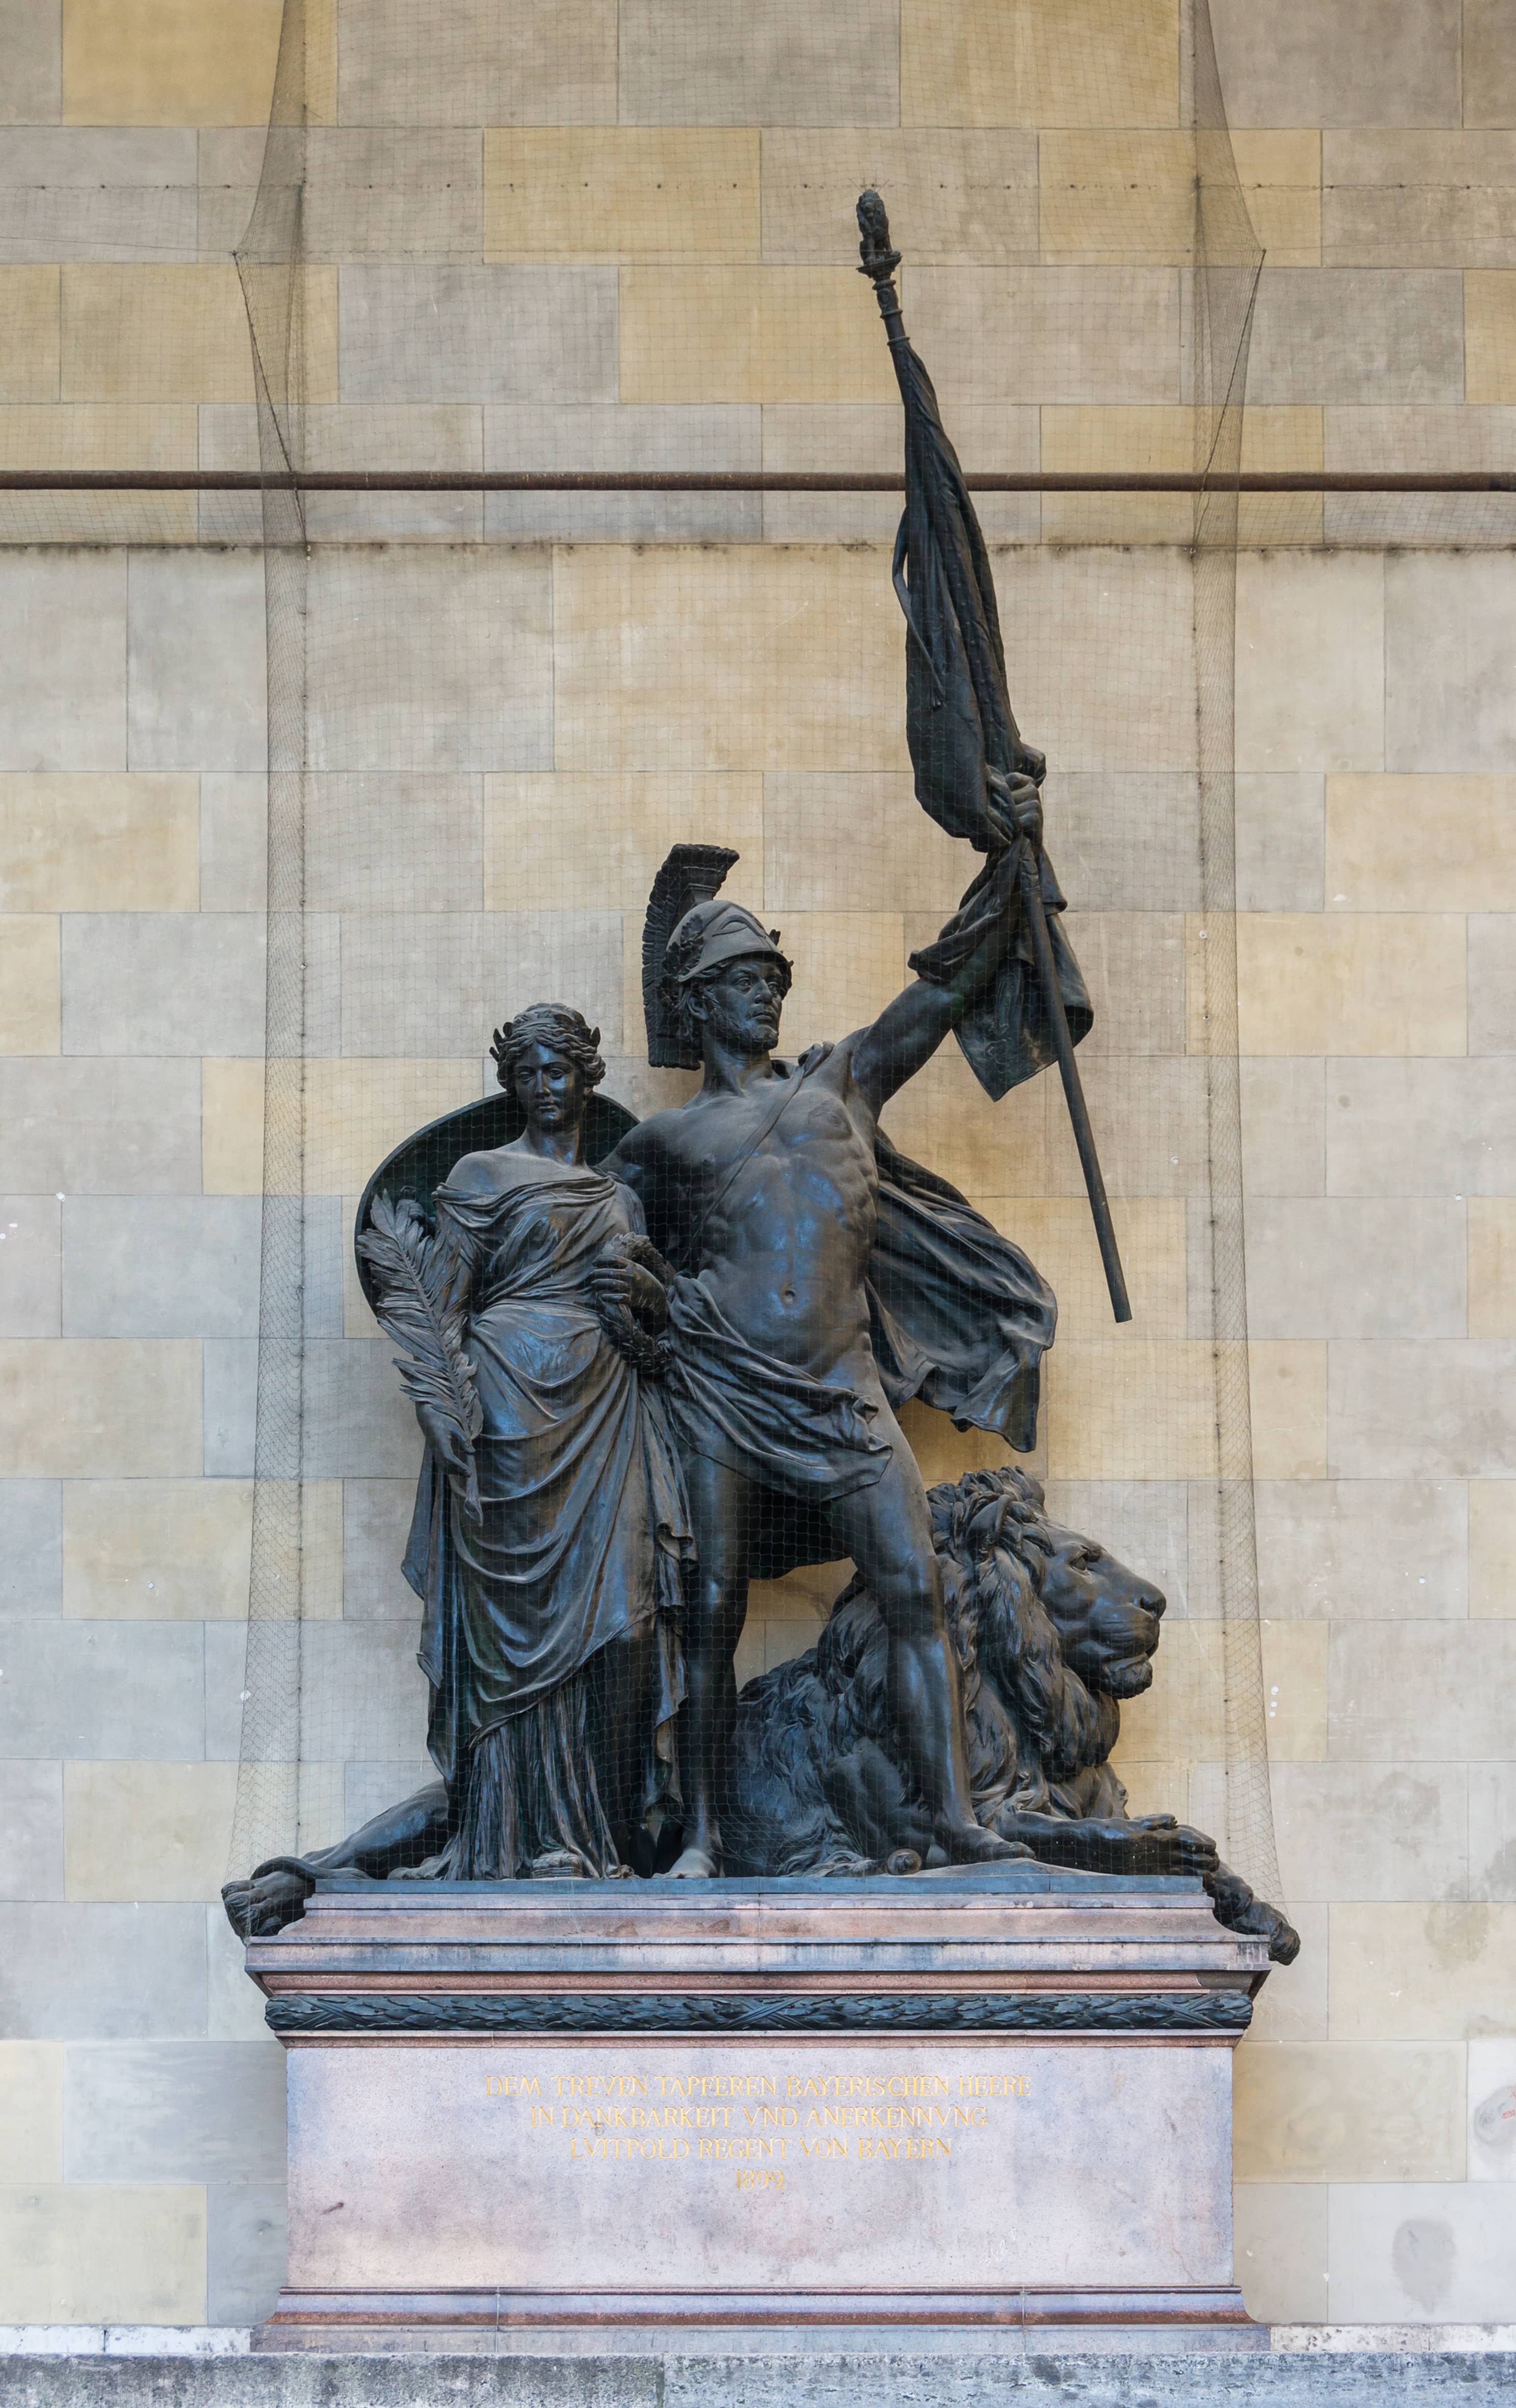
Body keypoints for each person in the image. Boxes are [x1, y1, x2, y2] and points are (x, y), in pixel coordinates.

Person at [605, 774, 1054, 1877]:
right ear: (697, 1003)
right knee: (707, 1610)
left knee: (913, 1589)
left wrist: (1011, 863)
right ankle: (703, 1838)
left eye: (773, 978)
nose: (765, 997)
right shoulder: (663, 1147)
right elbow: (600, 1234)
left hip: (840, 1387)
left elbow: (946, 991)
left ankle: (949, 1814)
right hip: (717, 1388)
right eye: (742, 982)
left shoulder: (841, 1083)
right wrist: (632, 1285)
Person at [400, 1002, 691, 1878]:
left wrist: (650, 1300)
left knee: (624, 1622)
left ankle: (600, 1833)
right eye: (526, 1074)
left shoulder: (623, 1199)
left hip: (607, 1410)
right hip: (507, 1413)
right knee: (514, 1632)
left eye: (557, 1071)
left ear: (587, 1076)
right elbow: (435, 1313)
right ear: (511, 1083)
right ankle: (518, 1841)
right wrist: (444, 1415)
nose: (543, 1088)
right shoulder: (482, 1175)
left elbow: (667, 1333)